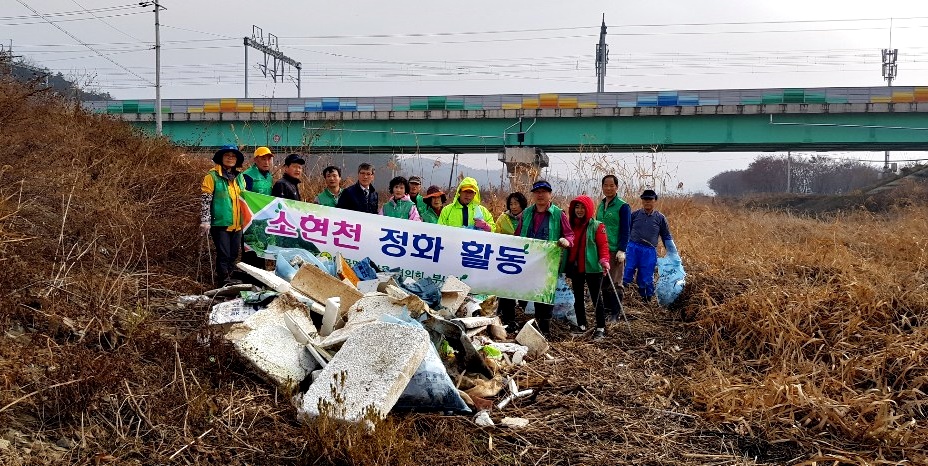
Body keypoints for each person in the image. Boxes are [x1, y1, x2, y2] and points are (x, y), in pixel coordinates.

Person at [498, 180, 574, 335]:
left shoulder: (559, 214)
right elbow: (518, 235)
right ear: (533, 195)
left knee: (543, 296)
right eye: (537, 192)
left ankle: (543, 329)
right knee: (508, 289)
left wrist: (566, 242)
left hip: (547, 263)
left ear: (549, 194)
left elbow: (570, 234)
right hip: (525, 261)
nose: (540, 195)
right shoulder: (526, 213)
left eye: (544, 192)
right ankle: (509, 324)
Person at [566, 195, 617, 340]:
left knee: (596, 298)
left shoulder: (597, 226)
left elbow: (603, 245)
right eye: (577, 207)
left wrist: (605, 260)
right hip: (577, 268)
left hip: (593, 268)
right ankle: (581, 324)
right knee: (578, 297)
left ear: (589, 209)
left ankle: (600, 327)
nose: (580, 210)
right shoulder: (571, 224)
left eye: (583, 207)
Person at [200, 145, 245, 286]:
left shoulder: (239, 177)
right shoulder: (212, 176)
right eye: (227, 155)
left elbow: (245, 198)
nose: (230, 158)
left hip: (237, 223)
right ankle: (224, 280)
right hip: (220, 223)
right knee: (224, 254)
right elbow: (206, 200)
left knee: (233, 253)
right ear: (221, 158)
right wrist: (205, 220)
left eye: (233, 156)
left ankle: (230, 276)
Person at [624, 189, 677, 301]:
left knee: (647, 276)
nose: (647, 202)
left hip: (649, 251)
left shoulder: (660, 218)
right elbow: (626, 231)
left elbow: (666, 236)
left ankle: (646, 299)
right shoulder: (635, 215)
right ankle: (620, 297)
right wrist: (623, 247)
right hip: (633, 248)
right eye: (645, 199)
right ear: (642, 201)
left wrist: (672, 253)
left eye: (650, 200)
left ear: (655, 201)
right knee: (627, 271)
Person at [595, 175, 632, 321]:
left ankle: (615, 314)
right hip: (601, 250)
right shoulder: (600, 205)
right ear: (602, 187)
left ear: (617, 187)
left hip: (615, 250)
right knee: (603, 281)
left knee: (615, 282)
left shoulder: (623, 206)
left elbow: (626, 230)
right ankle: (607, 309)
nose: (608, 188)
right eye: (606, 185)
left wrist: (622, 249)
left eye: (612, 185)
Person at [236, 147, 274, 271]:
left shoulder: (268, 176)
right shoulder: (247, 176)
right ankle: (248, 279)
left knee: (262, 252)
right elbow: (242, 198)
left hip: (264, 222)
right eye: (263, 159)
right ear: (256, 160)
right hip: (250, 222)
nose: (266, 162)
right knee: (250, 252)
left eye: (269, 159)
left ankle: (260, 280)